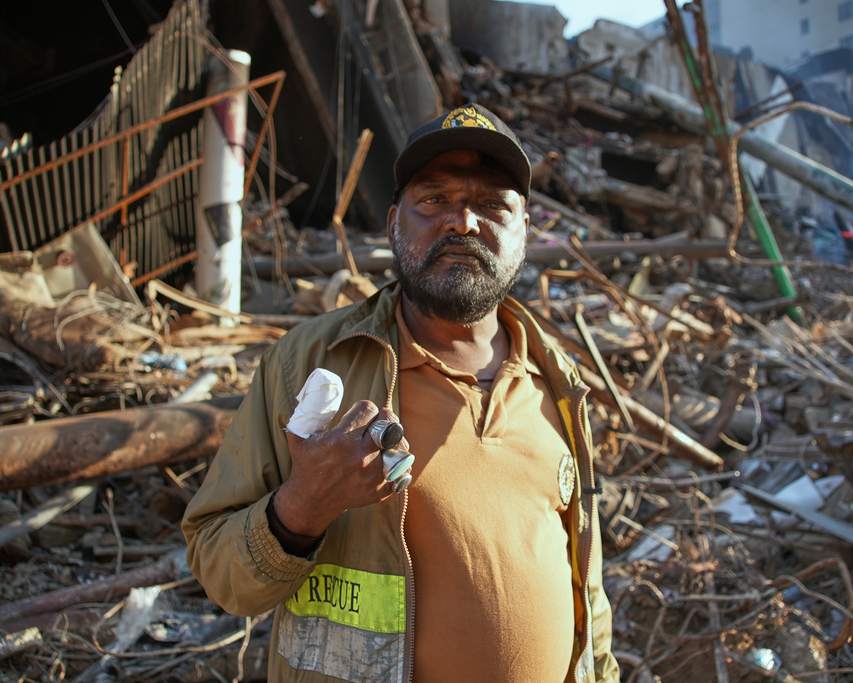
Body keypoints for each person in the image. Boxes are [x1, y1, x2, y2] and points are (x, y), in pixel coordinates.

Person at [182, 103, 621, 683]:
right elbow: (219, 572)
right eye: (434, 200)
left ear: (525, 230)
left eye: (492, 204)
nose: (463, 222)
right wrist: (303, 507)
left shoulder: (559, 380)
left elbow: (586, 589)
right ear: (393, 223)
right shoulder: (310, 365)